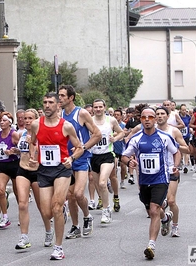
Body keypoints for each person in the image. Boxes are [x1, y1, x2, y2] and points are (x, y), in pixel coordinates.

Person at [29, 92, 84, 260]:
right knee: (46, 212)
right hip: (44, 170)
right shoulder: (36, 124)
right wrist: (33, 157)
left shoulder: (66, 126)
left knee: (56, 207)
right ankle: (61, 210)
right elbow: (32, 142)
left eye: (50, 102)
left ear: (57, 105)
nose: (47, 105)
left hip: (62, 169)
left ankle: (58, 247)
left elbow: (79, 147)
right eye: (44, 102)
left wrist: (71, 158)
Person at [122, 107, 181, 260]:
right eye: (143, 117)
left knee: (155, 209)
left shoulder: (164, 137)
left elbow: (176, 151)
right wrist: (130, 162)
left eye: (150, 117)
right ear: (140, 120)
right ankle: (165, 218)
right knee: (151, 211)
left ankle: (151, 245)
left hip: (161, 179)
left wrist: (175, 166)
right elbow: (124, 156)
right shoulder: (136, 138)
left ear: (155, 119)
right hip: (144, 180)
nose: (147, 120)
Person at [59, 85, 101, 239]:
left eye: (63, 96)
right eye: (59, 95)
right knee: (70, 195)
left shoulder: (81, 113)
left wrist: (83, 147)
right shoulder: (60, 114)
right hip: (66, 159)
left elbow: (97, 134)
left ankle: (87, 216)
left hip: (81, 158)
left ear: (71, 98)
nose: (60, 98)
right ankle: (75, 226)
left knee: (77, 193)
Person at [14, 109, 53, 249]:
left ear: (36, 119)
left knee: (42, 207)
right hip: (22, 170)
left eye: (30, 118)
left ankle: (48, 230)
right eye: (25, 118)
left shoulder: (42, 135)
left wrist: (35, 152)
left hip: (38, 172)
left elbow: (45, 153)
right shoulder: (21, 133)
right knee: (22, 204)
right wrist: (16, 151)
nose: (27, 121)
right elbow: (22, 151)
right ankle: (24, 237)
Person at [155, 106, 190, 237]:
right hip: (156, 171)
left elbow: (187, 149)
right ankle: (165, 219)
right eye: (157, 114)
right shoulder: (150, 131)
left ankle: (175, 226)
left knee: (171, 201)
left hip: (171, 169)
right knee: (156, 204)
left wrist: (174, 145)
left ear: (168, 116)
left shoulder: (174, 131)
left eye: (162, 114)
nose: (159, 116)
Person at [91, 99, 124, 222]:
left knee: (102, 182)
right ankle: (105, 202)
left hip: (108, 155)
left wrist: (115, 139)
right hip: (94, 155)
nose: (98, 109)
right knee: (98, 185)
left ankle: (106, 210)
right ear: (93, 108)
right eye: (96, 107)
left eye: (100, 107)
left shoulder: (111, 120)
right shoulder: (89, 121)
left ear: (104, 107)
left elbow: (121, 133)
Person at [0, 111, 20, 229]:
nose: (1, 122)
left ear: (9, 123)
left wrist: (13, 151)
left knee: (18, 193)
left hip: (14, 164)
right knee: (0, 191)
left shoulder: (14, 134)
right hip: (2, 165)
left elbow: (22, 151)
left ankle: (22, 213)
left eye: (4, 120)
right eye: (0, 120)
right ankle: (5, 217)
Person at [113, 109, 127, 190]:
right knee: (114, 166)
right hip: (113, 148)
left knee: (123, 166)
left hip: (122, 148)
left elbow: (124, 133)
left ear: (121, 116)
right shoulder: (111, 124)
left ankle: (122, 181)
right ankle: (113, 181)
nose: (116, 116)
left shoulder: (124, 125)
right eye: (115, 114)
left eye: (118, 114)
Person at [178, 104, 192, 173]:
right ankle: (180, 163)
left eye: (185, 110)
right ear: (180, 110)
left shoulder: (188, 117)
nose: (184, 111)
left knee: (186, 149)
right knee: (180, 150)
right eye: (182, 110)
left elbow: (190, 124)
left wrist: (191, 129)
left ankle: (185, 165)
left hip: (186, 135)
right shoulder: (178, 117)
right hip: (179, 135)